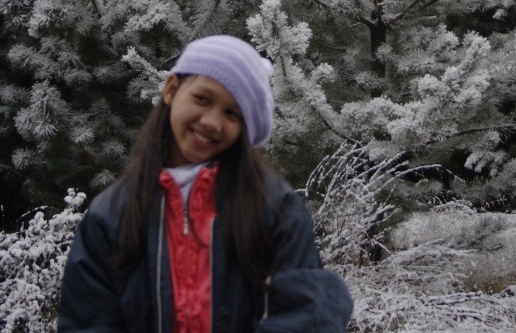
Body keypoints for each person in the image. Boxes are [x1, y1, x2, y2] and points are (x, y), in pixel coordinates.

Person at [57, 34, 353, 331]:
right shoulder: (110, 216)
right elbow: (88, 321)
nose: (212, 121)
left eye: (231, 114)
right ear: (171, 89)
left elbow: (303, 315)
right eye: (202, 99)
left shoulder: (275, 209)